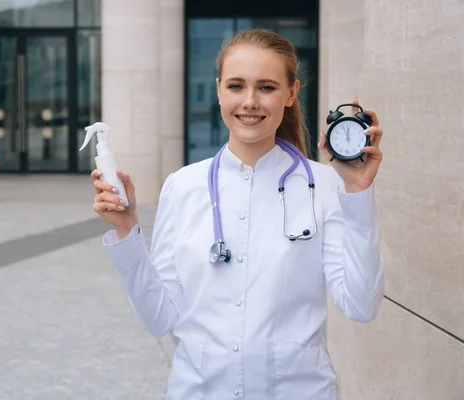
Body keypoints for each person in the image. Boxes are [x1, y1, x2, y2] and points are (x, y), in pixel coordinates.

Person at [91, 29, 384, 399]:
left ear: (291, 94)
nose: (250, 101)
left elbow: (360, 305)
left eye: (266, 87)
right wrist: (126, 231)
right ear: (218, 90)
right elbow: (159, 317)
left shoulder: (326, 186)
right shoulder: (182, 186)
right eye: (235, 86)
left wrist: (357, 193)